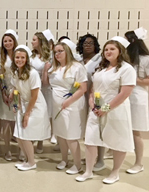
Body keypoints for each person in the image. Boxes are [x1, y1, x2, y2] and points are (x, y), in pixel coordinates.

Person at [75, 37, 136, 184]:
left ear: (120, 51)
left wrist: (106, 108)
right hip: (96, 110)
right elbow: (92, 90)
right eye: (106, 49)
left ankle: (115, 172)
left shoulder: (127, 69)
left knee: (117, 141)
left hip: (116, 110)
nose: (108, 52)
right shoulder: (101, 68)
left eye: (112, 49)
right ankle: (88, 171)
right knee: (90, 140)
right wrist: (92, 104)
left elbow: (124, 93)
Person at [43, 41, 87, 175]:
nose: (57, 54)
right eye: (55, 52)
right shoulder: (55, 68)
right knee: (61, 134)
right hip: (57, 106)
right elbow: (46, 84)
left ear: (67, 51)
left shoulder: (77, 67)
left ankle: (77, 164)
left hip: (72, 106)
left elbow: (83, 88)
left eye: (60, 51)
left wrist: (68, 101)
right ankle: (64, 159)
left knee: (70, 136)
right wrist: (45, 69)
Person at [10, 45, 51, 171]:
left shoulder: (32, 74)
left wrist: (27, 113)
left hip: (35, 106)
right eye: (17, 57)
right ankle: (27, 160)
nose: (19, 60)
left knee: (26, 135)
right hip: (23, 104)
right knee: (18, 135)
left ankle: (32, 162)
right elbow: (16, 90)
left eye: (22, 57)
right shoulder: (16, 72)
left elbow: (34, 96)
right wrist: (15, 104)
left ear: (27, 59)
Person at [76, 33, 105, 171]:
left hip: (96, 96)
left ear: (95, 46)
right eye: (84, 43)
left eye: (90, 43)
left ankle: (100, 159)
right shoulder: (78, 59)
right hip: (82, 97)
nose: (87, 45)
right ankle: (91, 156)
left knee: (99, 128)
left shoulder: (100, 59)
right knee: (89, 129)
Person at [125, 27, 149, 174]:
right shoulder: (126, 59)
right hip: (123, 96)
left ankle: (139, 163)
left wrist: (136, 80)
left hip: (137, 97)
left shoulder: (146, 59)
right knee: (120, 125)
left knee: (135, 132)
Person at [0, 29, 18, 161]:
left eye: (10, 40)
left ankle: (22, 150)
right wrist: (4, 93)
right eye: (5, 41)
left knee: (18, 122)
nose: (7, 43)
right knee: (6, 123)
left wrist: (15, 93)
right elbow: (0, 77)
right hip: (6, 92)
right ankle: (7, 149)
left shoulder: (19, 54)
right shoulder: (2, 58)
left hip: (18, 92)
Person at [30, 32, 52, 154]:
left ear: (40, 41)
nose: (32, 42)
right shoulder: (31, 56)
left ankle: (40, 142)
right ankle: (32, 139)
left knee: (43, 114)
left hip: (44, 88)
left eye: (34, 40)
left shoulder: (48, 57)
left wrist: (45, 71)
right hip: (33, 87)